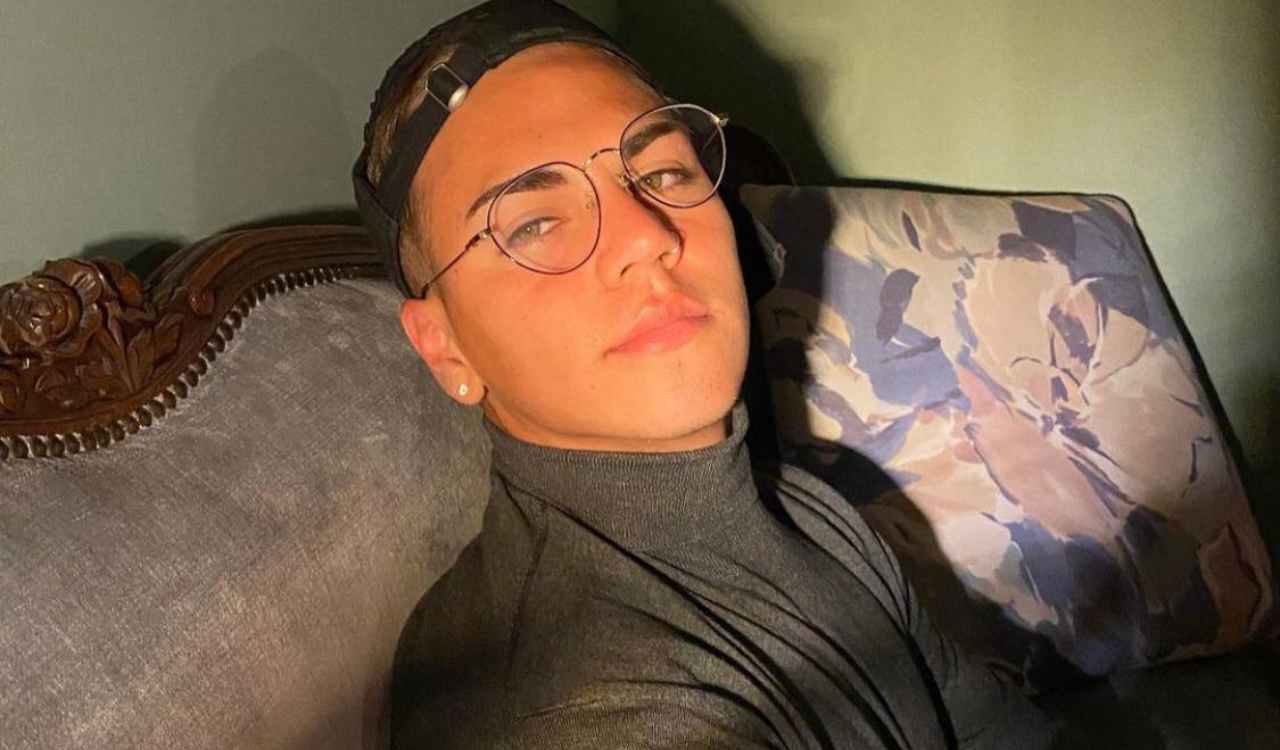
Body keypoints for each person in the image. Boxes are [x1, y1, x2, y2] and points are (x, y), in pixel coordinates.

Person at [352, 1, 1053, 747]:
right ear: (446, 350)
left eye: (661, 171)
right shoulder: (587, 712)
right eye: (533, 224)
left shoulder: (806, 509)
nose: (646, 235)